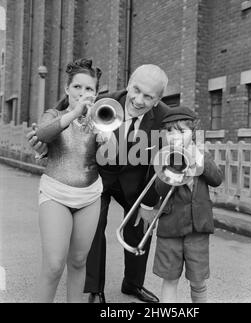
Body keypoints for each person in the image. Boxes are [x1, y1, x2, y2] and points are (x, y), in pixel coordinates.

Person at [27, 64, 171, 303]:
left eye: (148, 96)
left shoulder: (164, 117)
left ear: (157, 100)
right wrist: (44, 146)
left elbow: (161, 159)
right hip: (100, 175)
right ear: (128, 85)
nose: (138, 99)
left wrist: (149, 204)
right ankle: (95, 289)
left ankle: (133, 284)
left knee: (139, 228)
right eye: (136, 90)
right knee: (94, 231)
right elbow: (62, 118)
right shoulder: (105, 101)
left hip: (136, 179)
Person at [32, 58, 103, 302]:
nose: (83, 93)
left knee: (79, 261)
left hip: (90, 196)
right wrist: (74, 113)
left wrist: (109, 138)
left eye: (89, 89)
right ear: (67, 89)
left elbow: (112, 159)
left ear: (96, 93)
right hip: (55, 194)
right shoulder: (55, 114)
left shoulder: (101, 120)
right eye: (77, 87)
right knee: (53, 266)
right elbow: (42, 133)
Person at [152, 106, 223, 303]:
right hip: (170, 229)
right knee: (169, 279)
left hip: (198, 228)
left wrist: (198, 157)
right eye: (169, 131)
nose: (174, 137)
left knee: (198, 281)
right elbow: (160, 190)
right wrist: (172, 167)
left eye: (181, 131)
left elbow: (217, 179)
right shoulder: (163, 157)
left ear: (193, 134)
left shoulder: (201, 155)